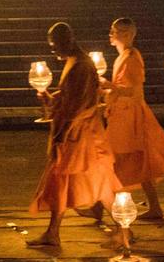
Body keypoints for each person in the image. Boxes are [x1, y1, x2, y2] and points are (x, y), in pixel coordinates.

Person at [27, 22, 120, 248]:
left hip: (80, 134)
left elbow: (80, 105)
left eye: (55, 45)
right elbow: (71, 94)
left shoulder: (82, 65)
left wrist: (63, 132)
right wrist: (51, 98)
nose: (53, 50)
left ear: (68, 41)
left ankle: (122, 226)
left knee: (83, 179)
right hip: (78, 132)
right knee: (76, 180)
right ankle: (54, 231)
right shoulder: (74, 62)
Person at [99, 17, 164, 221]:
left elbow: (134, 91)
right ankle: (153, 207)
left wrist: (110, 85)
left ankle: (100, 206)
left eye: (114, 30)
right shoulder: (123, 56)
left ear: (126, 34)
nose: (111, 34)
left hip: (130, 116)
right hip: (122, 114)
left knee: (117, 160)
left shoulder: (132, 57)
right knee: (135, 162)